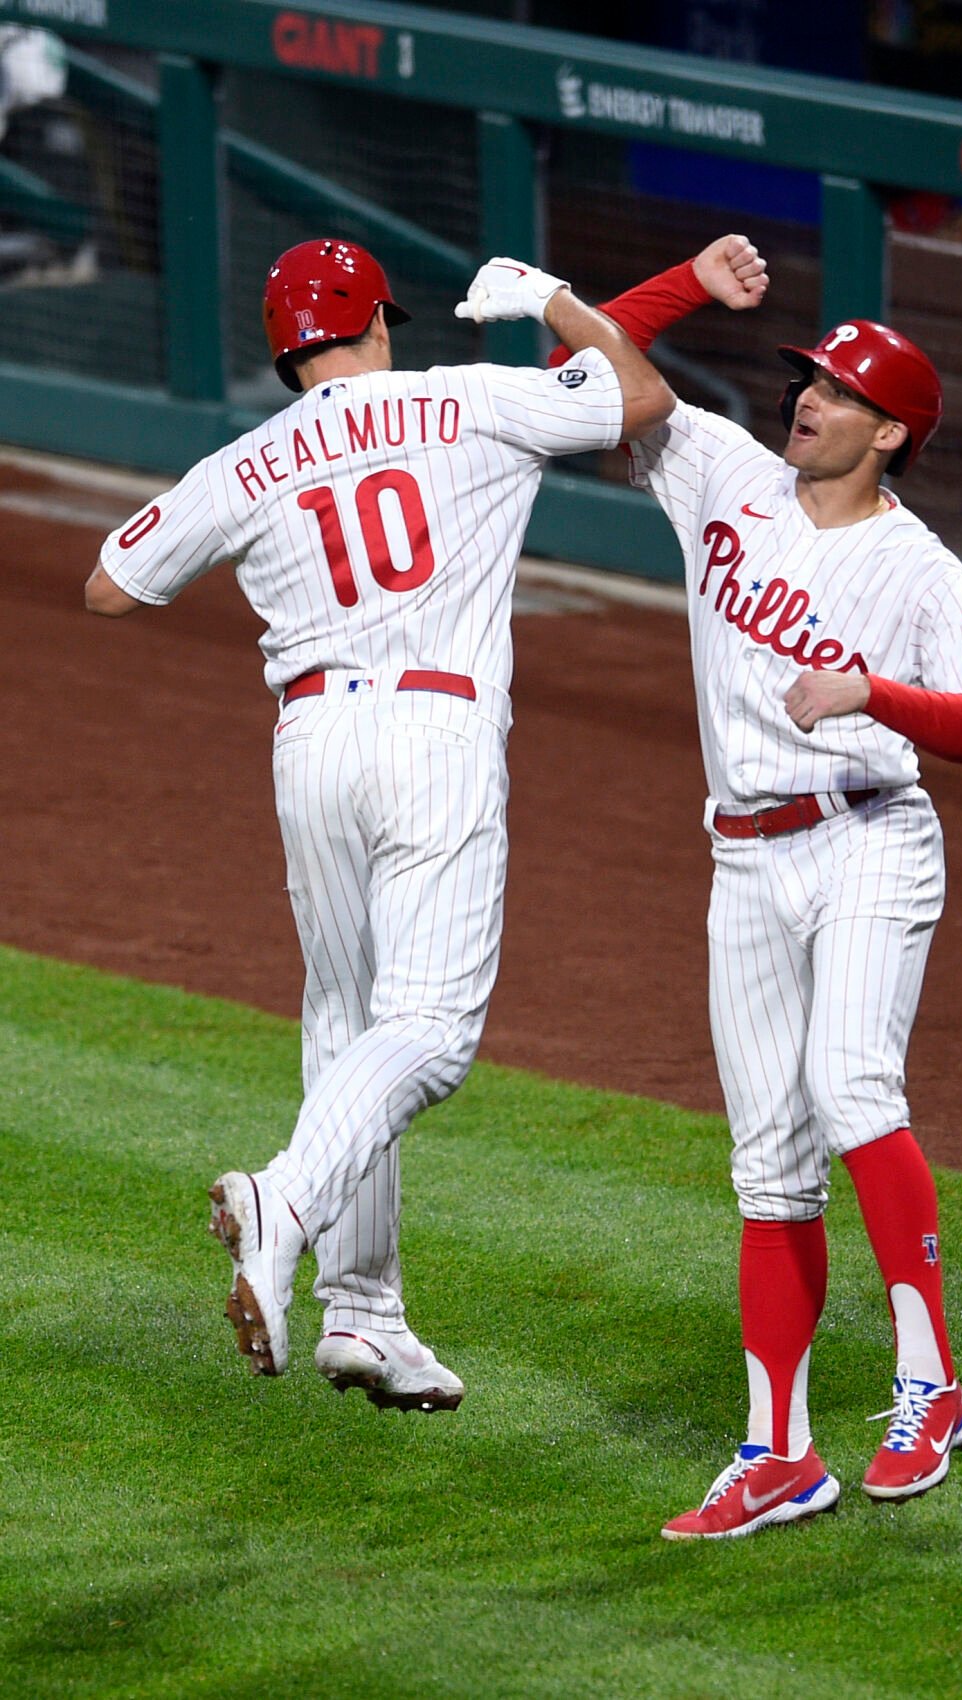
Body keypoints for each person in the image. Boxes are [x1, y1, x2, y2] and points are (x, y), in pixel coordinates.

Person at [85, 238, 675, 1411]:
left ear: (283, 344)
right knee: (433, 1031)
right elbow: (639, 394)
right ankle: (286, 1204)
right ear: (376, 320)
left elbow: (112, 581)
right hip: (432, 737)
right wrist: (556, 300)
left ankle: (364, 1313)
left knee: (347, 1019)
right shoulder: (461, 397)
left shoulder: (252, 458)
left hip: (310, 745)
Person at [543, 236, 962, 1537]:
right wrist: (690, 283)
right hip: (739, 860)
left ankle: (927, 1381)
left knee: (849, 1085)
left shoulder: (918, 569)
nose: (805, 400)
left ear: (888, 435)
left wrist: (876, 693)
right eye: (807, 379)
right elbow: (575, 363)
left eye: (836, 393)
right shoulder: (717, 475)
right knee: (766, 1163)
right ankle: (778, 1452)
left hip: (869, 837)